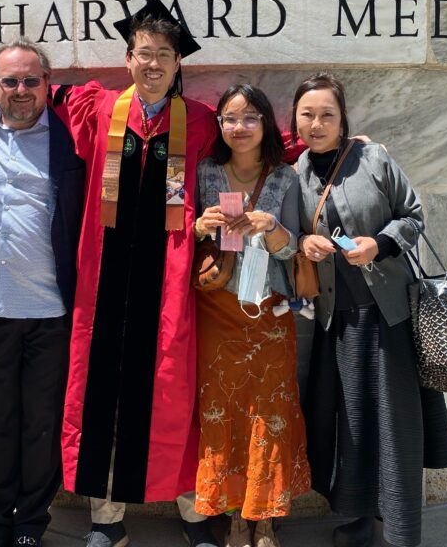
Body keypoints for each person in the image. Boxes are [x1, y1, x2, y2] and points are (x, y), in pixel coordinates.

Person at [0, 0, 220, 547]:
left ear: (176, 64)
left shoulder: (197, 120)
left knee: (170, 391)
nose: (152, 64)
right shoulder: (95, 107)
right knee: (99, 395)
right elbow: (30, 90)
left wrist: (328, 145)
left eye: (163, 56)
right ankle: (107, 518)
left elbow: (252, 149)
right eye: (143, 53)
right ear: (126, 58)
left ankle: (195, 513)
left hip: (166, 286)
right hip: (100, 283)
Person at [292, 73, 447, 547]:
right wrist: (307, 242)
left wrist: (379, 243)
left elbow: (414, 214)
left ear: (343, 120)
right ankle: (356, 515)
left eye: (327, 114)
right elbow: (292, 235)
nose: (317, 123)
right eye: (308, 114)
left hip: (388, 316)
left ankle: (399, 527)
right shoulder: (296, 172)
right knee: (351, 424)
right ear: (295, 121)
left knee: (395, 423)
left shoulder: (373, 158)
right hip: (335, 320)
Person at [0, 40, 85, 547]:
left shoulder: (70, 137)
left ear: (47, 83)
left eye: (32, 80)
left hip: (52, 312)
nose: (21, 90)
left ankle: (32, 522)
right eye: (9, 81)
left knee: (41, 426)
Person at [192, 85, 311, 547]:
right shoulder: (205, 172)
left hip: (267, 310)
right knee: (221, 413)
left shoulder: (284, 177)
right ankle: (234, 515)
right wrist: (200, 225)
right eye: (229, 118)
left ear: (265, 123)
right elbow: (183, 231)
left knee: (270, 411)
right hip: (216, 309)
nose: (238, 128)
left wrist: (272, 226)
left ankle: (265, 518)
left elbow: (298, 246)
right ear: (219, 125)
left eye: (249, 118)